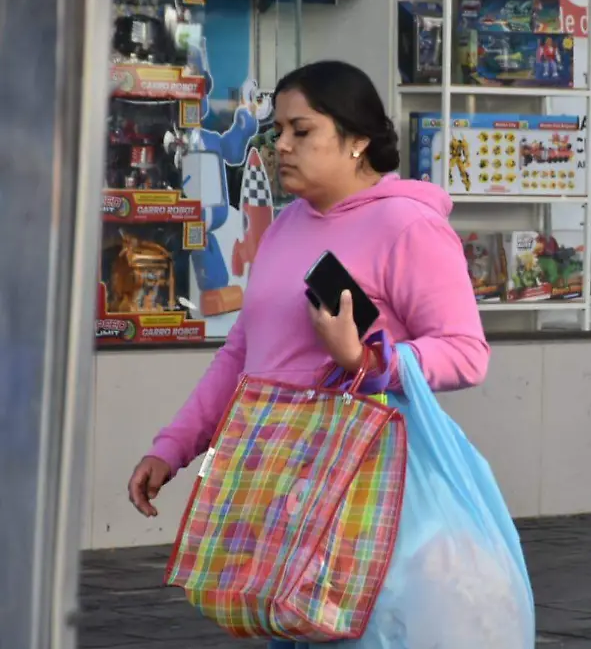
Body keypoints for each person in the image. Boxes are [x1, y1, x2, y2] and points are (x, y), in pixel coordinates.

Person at [125, 60, 489, 646]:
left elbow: (467, 353)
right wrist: (173, 448)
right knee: (288, 629)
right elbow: (240, 354)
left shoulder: (407, 224)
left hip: (363, 482)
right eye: (278, 132)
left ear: (357, 140)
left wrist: (372, 361)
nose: (282, 147)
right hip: (276, 477)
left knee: (358, 632)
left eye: (303, 130)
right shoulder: (286, 226)